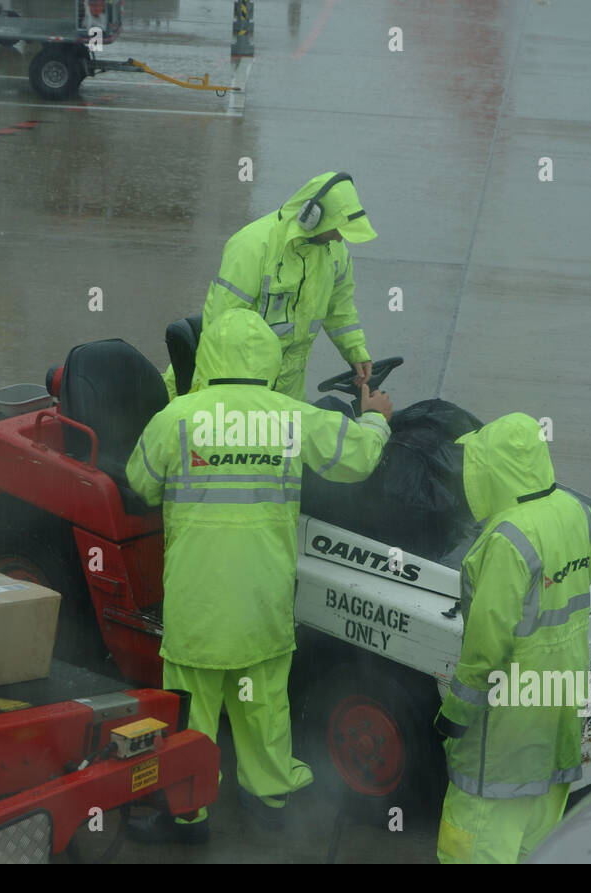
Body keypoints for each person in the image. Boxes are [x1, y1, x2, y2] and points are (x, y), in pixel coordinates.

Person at [125, 306, 393, 843]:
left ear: (210, 357)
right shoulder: (289, 417)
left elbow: (139, 483)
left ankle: (188, 815)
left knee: (191, 710)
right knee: (262, 702)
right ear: (268, 358)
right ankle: (269, 797)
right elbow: (358, 459)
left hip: (197, 603)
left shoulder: (178, 419)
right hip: (262, 600)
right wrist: (376, 416)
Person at [434, 413, 591, 863]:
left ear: (495, 468)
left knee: (472, 840)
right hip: (562, 703)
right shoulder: (576, 512)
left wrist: (456, 714)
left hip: (508, 723)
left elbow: (487, 645)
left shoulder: (506, 539)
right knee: (539, 839)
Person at [162, 171, 377, 402]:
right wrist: (222, 394)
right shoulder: (252, 247)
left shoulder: (335, 253)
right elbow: (222, 329)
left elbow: (340, 310)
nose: (339, 238)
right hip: (237, 381)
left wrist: (356, 351)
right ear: (312, 217)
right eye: (336, 230)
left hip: (288, 389)